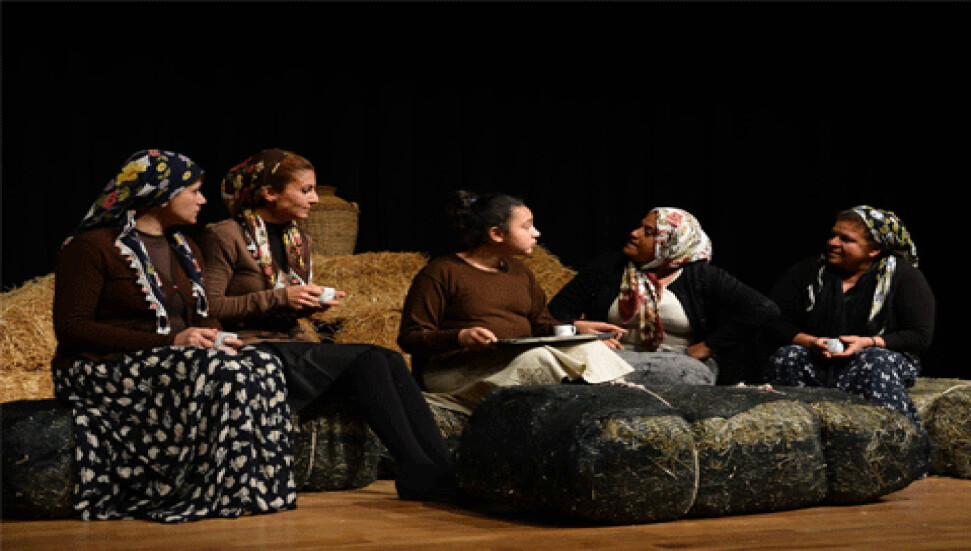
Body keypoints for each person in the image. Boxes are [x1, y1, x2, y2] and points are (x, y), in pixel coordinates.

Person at [198, 149, 456, 501]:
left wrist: (309, 305)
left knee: (389, 358)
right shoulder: (225, 235)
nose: (315, 199)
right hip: (249, 348)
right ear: (269, 192)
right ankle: (415, 468)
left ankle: (444, 469)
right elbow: (211, 306)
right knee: (368, 360)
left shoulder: (297, 240)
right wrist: (281, 298)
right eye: (305, 190)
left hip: (290, 343)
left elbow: (284, 304)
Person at [52, 149, 294, 522]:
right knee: (223, 374)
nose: (203, 200)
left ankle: (254, 490)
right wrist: (170, 342)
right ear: (163, 193)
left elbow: (204, 316)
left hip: (171, 361)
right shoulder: (92, 246)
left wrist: (217, 338)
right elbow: (72, 327)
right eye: (194, 191)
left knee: (263, 362)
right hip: (99, 367)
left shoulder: (185, 248)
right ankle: (204, 491)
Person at [397, 190, 635, 415]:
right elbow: (411, 337)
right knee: (539, 358)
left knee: (590, 348)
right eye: (526, 226)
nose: (536, 233)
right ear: (497, 234)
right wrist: (460, 337)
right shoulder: (441, 272)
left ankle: (625, 403)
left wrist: (576, 329)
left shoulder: (520, 272)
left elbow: (541, 325)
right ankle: (606, 402)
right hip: (455, 372)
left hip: (509, 362)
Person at [548, 207, 778, 386]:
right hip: (612, 358)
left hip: (679, 364)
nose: (634, 234)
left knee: (691, 374)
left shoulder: (701, 277)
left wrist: (709, 346)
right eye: (640, 226)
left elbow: (763, 309)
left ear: (671, 245)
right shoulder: (606, 268)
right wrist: (579, 330)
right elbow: (553, 314)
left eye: (648, 233)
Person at [764, 205, 934, 428]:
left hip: (876, 358)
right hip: (819, 356)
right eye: (833, 235)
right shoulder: (810, 272)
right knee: (788, 356)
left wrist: (868, 342)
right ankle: (795, 435)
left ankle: (897, 438)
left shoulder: (903, 277)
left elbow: (920, 335)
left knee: (874, 360)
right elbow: (773, 319)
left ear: (874, 249)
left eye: (845, 239)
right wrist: (811, 342)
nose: (833, 243)